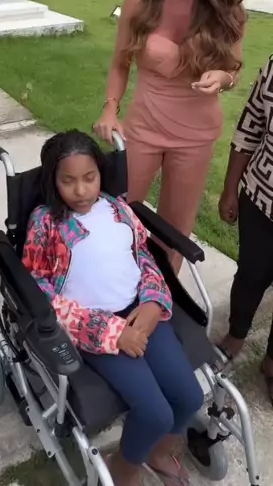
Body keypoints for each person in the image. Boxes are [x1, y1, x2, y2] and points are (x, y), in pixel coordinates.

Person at [23, 130, 204, 486]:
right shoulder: (45, 223)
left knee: (189, 397)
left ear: (100, 174)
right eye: (68, 181)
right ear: (52, 181)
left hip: (141, 310)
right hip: (95, 330)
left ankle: (158, 452)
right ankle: (122, 469)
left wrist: (153, 301)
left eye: (89, 178)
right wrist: (111, 333)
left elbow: (144, 257)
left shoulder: (118, 209)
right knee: (155, 413)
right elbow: (38, 290)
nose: (81, 190)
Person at [94, 0, 245, 267]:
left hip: (196, 135)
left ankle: (163, 294)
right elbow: (120, 63)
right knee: (116, 217)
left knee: (174, 233)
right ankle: (113, 287)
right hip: (143, 126)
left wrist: (223, 78)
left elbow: (234, 69)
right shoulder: (140, 0)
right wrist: (110, 109)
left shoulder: (229, 11)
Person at [217, 55, 273, 402]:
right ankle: (235, 334)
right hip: (262, 197)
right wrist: (229, 188)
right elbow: (251, 126)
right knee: (252, 273)